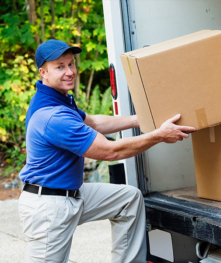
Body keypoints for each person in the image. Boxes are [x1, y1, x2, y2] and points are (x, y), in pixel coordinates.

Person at [18, 39, 196, 263]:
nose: (69, 72)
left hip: (72, 194)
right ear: (43, 72)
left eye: (71, 64)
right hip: (49, 207)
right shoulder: (53, 117)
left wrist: (141, 120)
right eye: (60, 67)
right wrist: (160, 135)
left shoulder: (57, 100)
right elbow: (111, 152)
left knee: (128, 199)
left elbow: (96, 123)